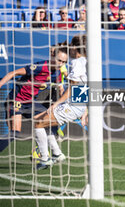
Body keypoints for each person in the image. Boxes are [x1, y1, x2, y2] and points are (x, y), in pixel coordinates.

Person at [0, 47, 68, 167]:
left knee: (51, 121)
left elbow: (60, 87)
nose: (61, 64)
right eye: (59, 60)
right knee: (15, 132)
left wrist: (62, 93)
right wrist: (0, 84)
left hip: (30, 103)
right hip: (16, 101)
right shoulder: (39, 67)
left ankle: (49, 152)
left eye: (64, 62)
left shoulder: (57, 73)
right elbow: (14, 73)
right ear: (52, 57)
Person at [33, 34, 88, 170]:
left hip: (72, 106)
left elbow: (72, 88)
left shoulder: (77, 63)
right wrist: (85, 110)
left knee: (38, 123)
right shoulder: (85, 62)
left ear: (75, 48)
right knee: (42, 123)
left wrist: (56, 103)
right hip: (78, 104)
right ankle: (57, 154)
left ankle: (45, 159)